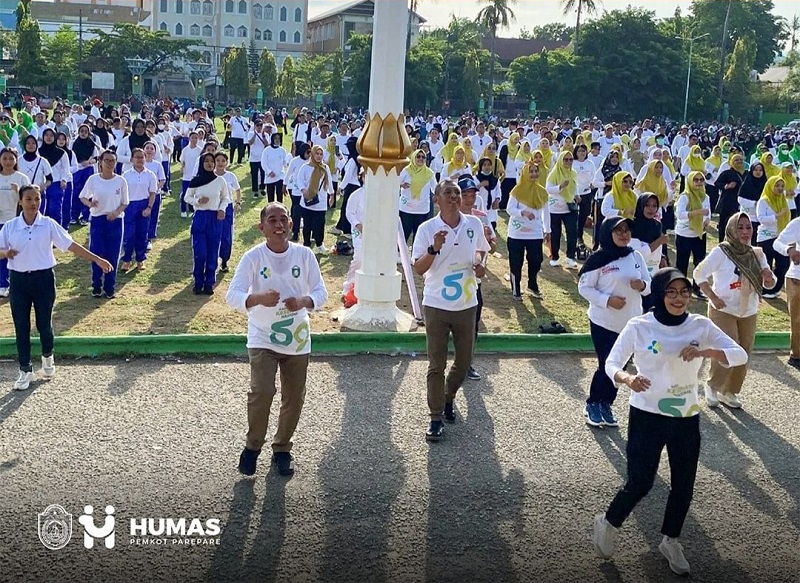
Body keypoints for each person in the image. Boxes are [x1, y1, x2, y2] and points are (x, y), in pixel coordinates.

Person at [593, 268, 747, 576]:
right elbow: (611, 362)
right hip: (647, 415)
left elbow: (739, 354)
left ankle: (671, 540)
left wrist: (705, 351)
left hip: (685, 417)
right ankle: (608, 523)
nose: (678, 298)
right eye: (671, 292)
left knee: (684, 485)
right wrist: (627, 378)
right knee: (641, 481)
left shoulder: (700, 325)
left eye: (684, 292)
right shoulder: (639, 326)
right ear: (659, 293)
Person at [226, 202, 328, 476]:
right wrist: (258, 298)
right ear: (262, 228)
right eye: (272, 220)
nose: (279, 225)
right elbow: (232, 295)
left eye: (284, 220)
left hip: (296, 338)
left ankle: (282, 449)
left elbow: (321, 292)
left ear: (292, 225)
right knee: (262, 391)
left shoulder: (305, 255)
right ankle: (252, 447)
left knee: (294, 396)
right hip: (262, 337)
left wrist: (305, 301)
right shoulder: (253, 257)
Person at [0, 184, 113, 390]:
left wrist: (97, 259)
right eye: (29, 199)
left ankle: (47, 357)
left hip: (43, 279)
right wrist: (5, 254)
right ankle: (25, 369)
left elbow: (70, 245)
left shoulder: (48, 224)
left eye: (37, 199)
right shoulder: (10, 226)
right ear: (20, 201)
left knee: (44, 323)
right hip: (18, 280)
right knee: (21, 326)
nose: (33, 203)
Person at [412, 179, 490, 442]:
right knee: (436, 364)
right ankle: (435, 418)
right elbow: (419, 268)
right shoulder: (427, 229)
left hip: (467, 304)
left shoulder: (474, 224)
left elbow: (481, 252)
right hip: (436, 304)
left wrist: (480, 265)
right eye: (448, 193)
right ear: (437, 200)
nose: (455, 198)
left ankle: (448, 397)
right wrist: (434, 248)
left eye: (457, 193)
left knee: (465, 360)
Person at [694, 212, 775, 408]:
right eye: (740, 227)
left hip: (749, 310)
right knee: (729, 348)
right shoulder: (721, 252)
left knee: (744, 351)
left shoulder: (757, 253)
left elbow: (770, 284)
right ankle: (712, 386)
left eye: (748, 227)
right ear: (731, 229)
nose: (745, 232)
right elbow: (699, 274)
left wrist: (769, 278)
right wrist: (712, 297)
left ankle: (729, 391)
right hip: (723, 309)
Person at [578, 217, 651, 428]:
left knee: (621, 366)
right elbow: (584, 288)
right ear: (608, 233)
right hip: (604, 322)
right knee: (607, 364)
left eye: (627, 230)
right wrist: (607, 300)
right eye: (618, 231)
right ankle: (593, 403)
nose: (623, 234)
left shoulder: (635, 255)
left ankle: (606, 403)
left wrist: (642, 285)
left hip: (631, 324)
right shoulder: (598, 259)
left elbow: (650, 285)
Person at [80, 150, 128, 299]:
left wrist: (116, 212)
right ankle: (96, 285)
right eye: (107, 160)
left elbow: (125, 202)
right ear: (100, 162)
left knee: (113, 254)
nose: (110, 163)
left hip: (115, 220)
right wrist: (90, 203)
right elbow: (82, 196)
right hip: (98, 220)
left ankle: (109, 287)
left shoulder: (121, 181)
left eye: (112, 160)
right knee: (97, 253)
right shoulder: (94, 179)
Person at [183, 152, 230, 295]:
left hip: (214, 218)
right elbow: (187, 197)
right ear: (202, 163)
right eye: (206, 161)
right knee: (200, 252)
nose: (209, 163)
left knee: (212, 251)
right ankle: (198, 282)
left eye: (212, 161)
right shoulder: (196, 181)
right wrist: (197, 201)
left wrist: (221, 209)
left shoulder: (220, 181)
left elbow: (225, 198)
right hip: (200, 218)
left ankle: (209, 282)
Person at [507, 160, 550, 299]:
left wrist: (547, 230)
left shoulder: (542, 192)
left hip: (535, 232)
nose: (534, 174)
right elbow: (509, 209)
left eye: (536, 171)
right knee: (516, 262)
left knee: (536, 260)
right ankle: (516, 288)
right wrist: (523, 212)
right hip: (517, 232)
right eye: (531, 171)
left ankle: (532, 284)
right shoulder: (517, 190)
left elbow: (546, 212)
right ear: (525, 173)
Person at [0, 149, 31, 297]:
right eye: (4, 158)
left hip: (15, 221)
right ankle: (3, 283)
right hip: (0, 220)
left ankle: (17, 283)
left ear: (16, 160)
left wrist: (18, 191)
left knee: (16, 253)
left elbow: (30, 198)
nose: (7, 162)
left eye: (11, 159)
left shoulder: (21, 178)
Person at [120, 148, 158, 271]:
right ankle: (126, 260)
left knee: (142, 234)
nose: (139, 159)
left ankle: (140, 259)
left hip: (144, 205)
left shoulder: (150, 175)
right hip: (129, 206)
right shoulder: (126, 175)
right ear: (132, 159)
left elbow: (152, 193)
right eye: (137, 157)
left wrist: (149, 207)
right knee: (129, 235)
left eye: (142, 157)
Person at [675, 171, 711, 297]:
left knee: (699, 262)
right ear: (690, 181)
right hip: (684, 234)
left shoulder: (705, 196)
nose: (699, 183)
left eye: (701, 180)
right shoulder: (685, 196)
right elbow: (679, 214)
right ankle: (680, 289)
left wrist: (707, 221)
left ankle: (697, 288)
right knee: (682, 263)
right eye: (696, 180)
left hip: (699, 234)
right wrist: (697, 212)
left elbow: (708, 212)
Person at [630, 193, 669, 311]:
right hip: (636, 271)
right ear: (641, 206)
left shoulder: (657, 225)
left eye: (654, 206)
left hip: (653, 269)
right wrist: (659, 241)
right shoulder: (632, 226)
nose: (651, 209)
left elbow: (659, 246)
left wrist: (663, 257)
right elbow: (638, 252)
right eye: (647, 205)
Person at [756, 175, 791, 299]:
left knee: (783, 264)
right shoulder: (764, 201)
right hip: (766, 238)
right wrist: (776, 216)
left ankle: (775, 288)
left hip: (780, 237)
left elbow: (788, 218)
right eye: (777, 185)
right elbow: (761, 219)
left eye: (782, 186)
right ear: (771, 186)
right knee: (766, 265)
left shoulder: (783, 200)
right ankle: (764, 290)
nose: (780, 188)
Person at [296, 145, 334, 254]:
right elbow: (300, 180)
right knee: (307, 224)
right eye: (316, 154)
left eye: (321, 154)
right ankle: (306, 244)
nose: (319, 156)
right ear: (312, 154)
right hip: (307, 200)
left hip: (320, 201)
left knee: (320, 224)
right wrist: (304, 191)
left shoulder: (325, 168)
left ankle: (319, 244)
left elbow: (329, 182)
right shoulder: (305, 167)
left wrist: (331, 195)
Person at [546, 150, 580, 269]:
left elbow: (575, 187)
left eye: (571, 159)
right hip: (556, 207)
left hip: (570, 206)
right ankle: (554, 257)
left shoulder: (573, 173)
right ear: (561, 160)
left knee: (572, 232)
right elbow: (548, 189)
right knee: (556, 233)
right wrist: (560, 187)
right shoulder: (554, 173)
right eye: (566, 159)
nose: (568, 162)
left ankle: (570, 257)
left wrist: (577, 195)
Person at [774, 214, 800, 370]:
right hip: (797, 279)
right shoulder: (798, 223)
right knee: (798, 320)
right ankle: (796, 355)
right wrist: (789, 250)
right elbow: (778, 243)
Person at [399, 149, 437, 244]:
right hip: (406, 208)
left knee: (418, 236)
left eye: (423, 157)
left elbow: (435, 188)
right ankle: (399, 256)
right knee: (404, 234)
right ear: (413, 157)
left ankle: (415, 257)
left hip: (421, 209)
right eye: (418, 156)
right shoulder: (407, 171)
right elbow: (395, 182)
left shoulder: (429, 173)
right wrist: (401, 185)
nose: (420, 159)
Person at [214, 151, 242, 273]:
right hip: (213, 208)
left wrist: (238, 203)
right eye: (218, 160)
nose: (220, 163)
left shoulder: (230, 176)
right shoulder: (210, 175)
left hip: (227, 208)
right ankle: (212, 259)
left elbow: (238, 190)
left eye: (223, 161)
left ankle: (224, 260)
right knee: (213, 234)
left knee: (226, 235)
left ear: (227, 163)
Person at [261, 131, 288, 203]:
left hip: (280, 176)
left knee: (280, 196)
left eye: (279, 138)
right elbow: (263, 163)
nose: (277, 140)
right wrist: (269, 172)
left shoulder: (282, 150)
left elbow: (285, 162)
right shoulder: (267, 150)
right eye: (275, 138)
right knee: (270, 197)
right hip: (270, 177)